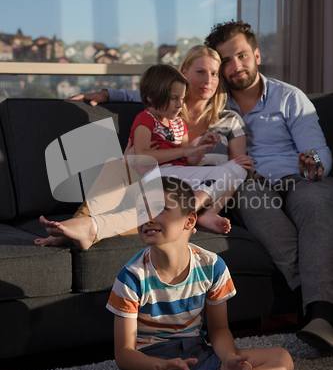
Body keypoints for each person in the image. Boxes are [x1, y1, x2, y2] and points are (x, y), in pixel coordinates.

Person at [107, 176, 294, 370]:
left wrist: (228, 358)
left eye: (160, 209)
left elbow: (218, 330)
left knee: (282, 360)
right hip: (150, 363)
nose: (148, 217)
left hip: (197, 354)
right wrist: (158, 366)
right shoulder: (130, 278)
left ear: (189, 220)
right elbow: (124, 355)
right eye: (143, 210)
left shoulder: (212, 266)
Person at [35, 46, 253, 249]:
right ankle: (79, 226)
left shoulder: (224, 119)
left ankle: (185, 211)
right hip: (152, 180)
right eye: (200, 72)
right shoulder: (159, 112)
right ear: (183, 73)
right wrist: (107, 94)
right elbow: (140, 103)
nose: (208, 80)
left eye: (214, 74)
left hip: (187, 189)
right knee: (117, 167)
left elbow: (192, 161)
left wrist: (199, 148)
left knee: (237, 168)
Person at [204, 20, 333, 352]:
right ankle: (318, 307)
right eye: (226, 62)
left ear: (257, 55)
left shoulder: (289, 97)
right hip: (250, 183)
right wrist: (109, 93)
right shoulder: (214, 105)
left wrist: (314, 165)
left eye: (242, 56)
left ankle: (318, 312)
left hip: (299, 178)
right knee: (250, 199)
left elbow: (317, 149)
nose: (236, 67)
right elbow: (164, 90)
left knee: (316, 202)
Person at [128, 62, 248, 234]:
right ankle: (186, 214)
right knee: (224, 174)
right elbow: (141, 156)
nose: (179, 104)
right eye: (173, 98)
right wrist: (186, 150)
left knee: (239, 168)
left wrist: (200, 147)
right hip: (154, 177)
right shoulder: (145, 119)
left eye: (182, 98)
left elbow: (188, 161)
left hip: (179, 176)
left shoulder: (178, 122)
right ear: (151, 97)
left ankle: (207, 213)